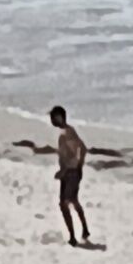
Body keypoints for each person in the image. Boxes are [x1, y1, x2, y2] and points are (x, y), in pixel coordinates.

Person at [50, 103, 92, 247]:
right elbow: (83, 149)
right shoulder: (71, 131)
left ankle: (73, 236)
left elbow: (66, 156)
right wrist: (80, 164)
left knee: (64, 204)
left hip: (68, 172)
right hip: (75, 170)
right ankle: (85, 229)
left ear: (58, 117)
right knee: (73, 200)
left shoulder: (63, 135)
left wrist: (63, 170)